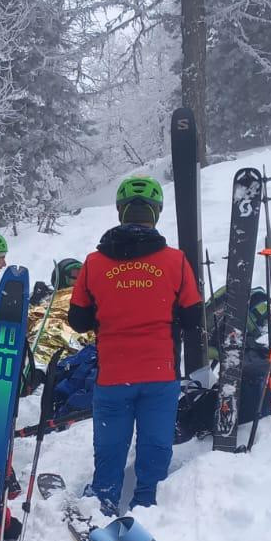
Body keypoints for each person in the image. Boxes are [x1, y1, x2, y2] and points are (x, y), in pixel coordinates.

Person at [68, 175, 202, 514]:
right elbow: (193, 318)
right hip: (160, 373)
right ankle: (147, 501)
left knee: (111, 445)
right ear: (155, 213)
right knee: (155, 441)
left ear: (121, 212)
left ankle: (103, 500)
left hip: (113, 375)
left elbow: (79, 321)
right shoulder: (176, 261)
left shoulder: (94, 264)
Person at [28, 258, 93, 365]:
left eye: (82, 274)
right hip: (46, 333)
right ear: (63, 278)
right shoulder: (45, 299)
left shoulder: (90, 298)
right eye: (75, 275)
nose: (79, 279)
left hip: (75, 341)